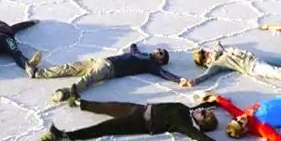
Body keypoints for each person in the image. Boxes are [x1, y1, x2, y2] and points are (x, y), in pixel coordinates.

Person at [32, 96, 237, 141]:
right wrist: (219, 103)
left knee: (104, 127)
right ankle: (79, 103)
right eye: (205, 112)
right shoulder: (190, 110)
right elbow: (206, 104)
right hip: (139, 109)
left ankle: (65, 136)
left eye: (204, 115)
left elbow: (203, 139)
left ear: (201, 124)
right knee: (108, 105)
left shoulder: (185, 125)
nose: (202, 111)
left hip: (139, 123)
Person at [25, 43, 180, 102]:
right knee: (69, 67)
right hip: (99, 61)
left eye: (161, 53)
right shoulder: (142, 55)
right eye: (159, 49)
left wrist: (180, 80)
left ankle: (66, 93)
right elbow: (133, 49)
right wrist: (134, 45)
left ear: (160, 61)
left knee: (88, 80)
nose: (158, 50)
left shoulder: (150, 65)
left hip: (109, 69)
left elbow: (163, 74)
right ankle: (37, 73)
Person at [180, 42, 281, 89]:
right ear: (205, 62)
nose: (207, 53)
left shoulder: (221, 50)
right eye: (203, 55)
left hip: (257, 58)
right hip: (252, 67)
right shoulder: (216, 63)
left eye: (204, 51)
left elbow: (218, 45)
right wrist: (195, 81)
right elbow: (207, 75)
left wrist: (217, 49)